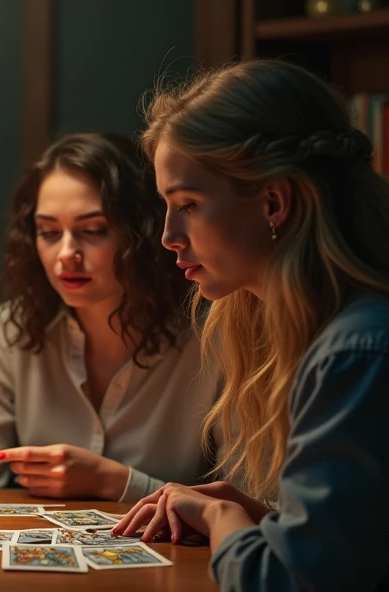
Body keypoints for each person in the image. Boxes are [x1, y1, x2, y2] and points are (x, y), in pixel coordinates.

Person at [112, 59, 389, 590]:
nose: (169, 234)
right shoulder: (317, 333)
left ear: (274, 201)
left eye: (188, 204)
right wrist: (260, 516)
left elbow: (286, 582)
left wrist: (223, 519)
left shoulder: (354, 353)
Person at [0, 132, 220, 502]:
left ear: (143, 233)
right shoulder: (13, 327)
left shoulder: (211, 335)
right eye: (49, 232)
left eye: (93, 231)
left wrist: (114, 482)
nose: (67, 253)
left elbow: (252, 506)